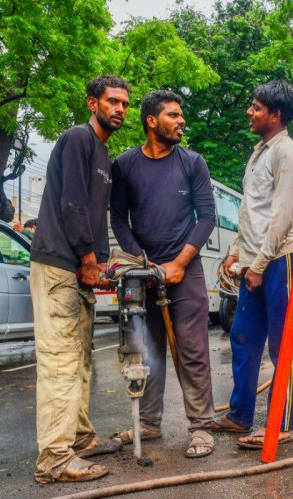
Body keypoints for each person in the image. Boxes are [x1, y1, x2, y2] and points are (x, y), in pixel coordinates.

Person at [29, 75, 130, 484]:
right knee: (61, 360)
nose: (120, 108)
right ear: (93, 103)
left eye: (124, 103)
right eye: (112, 102)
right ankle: (54, 459)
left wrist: (102, 260)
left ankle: (80, 438)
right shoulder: (78, 139)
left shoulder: (104, 156)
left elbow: (94, 211)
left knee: (80, 358)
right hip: (60, 263)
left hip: (80, 269)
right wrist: (89, 257)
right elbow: (72, 203)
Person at [110, 89, 217, 459]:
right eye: (173, 115)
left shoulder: (192, 163)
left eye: (181, 115)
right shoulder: (124, 165)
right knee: (148, 349)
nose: (181, 121)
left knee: (192, 350)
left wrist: (180, 263)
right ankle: (150, 424)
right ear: (151, 121)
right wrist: (140, 261)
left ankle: (201, 426)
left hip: (185, 270)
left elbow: (207, 217)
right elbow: (118, 219)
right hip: (143, 272)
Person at [208, 81, 293, 449]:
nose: (249, 112)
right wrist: (236, 252)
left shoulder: (287, 153)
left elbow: (282, 216)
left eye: (255, 107)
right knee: (243, 336)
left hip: (280, 259)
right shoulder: (258, 153)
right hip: (255, 260)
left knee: (282, 344)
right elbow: (252, 212)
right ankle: (239, 415)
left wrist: (260, 263)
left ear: (275, 115)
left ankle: (280, 425)